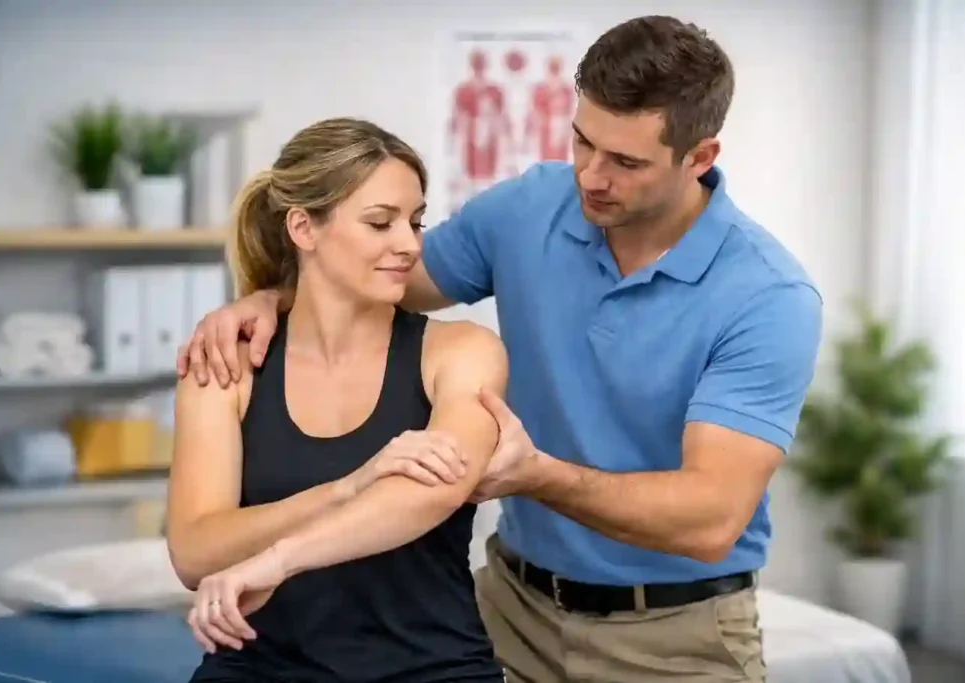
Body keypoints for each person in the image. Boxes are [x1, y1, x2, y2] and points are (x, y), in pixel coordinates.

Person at [178, 15, 823, 683]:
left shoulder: (766, 295)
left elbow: (709, 518)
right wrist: (272, 296)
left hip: (676, 637)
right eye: (582, 141)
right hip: (512, 613)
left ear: (700, 157)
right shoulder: (533, 206)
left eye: (626, 162)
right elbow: (391, 276)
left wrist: (536, 472)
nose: (591, 176)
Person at [166, 117, 510, 683]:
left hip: (432, 671)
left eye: (416, 222)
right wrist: (347, 488)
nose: (409, 244)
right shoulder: (228, 365)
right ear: (303, 227)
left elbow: (432, 490)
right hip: (259, 671)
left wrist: (277, 559)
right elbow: (195, 552)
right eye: (380, 223)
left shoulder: (460, 353)